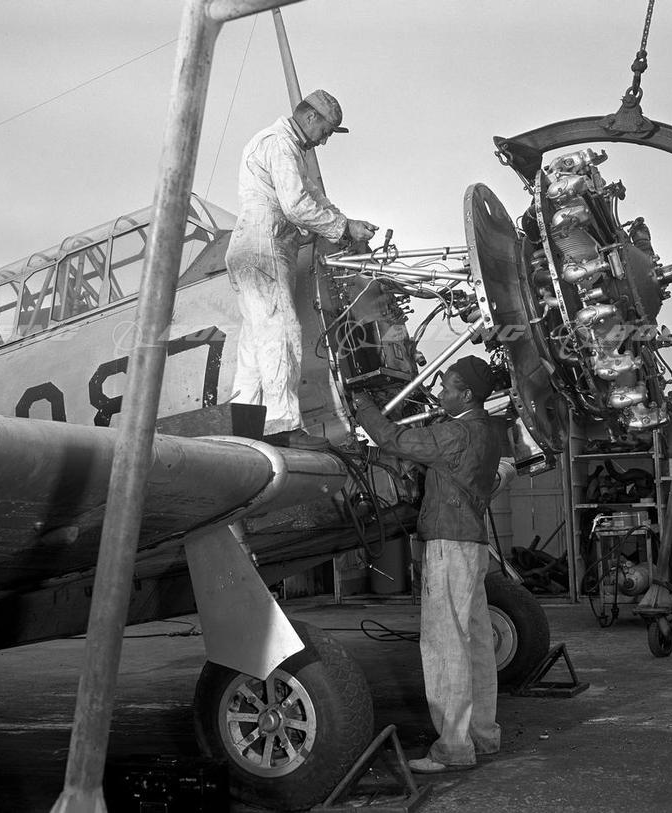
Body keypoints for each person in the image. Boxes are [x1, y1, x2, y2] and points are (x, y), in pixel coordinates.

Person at [351, 356, 504, 773]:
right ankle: (483, 735)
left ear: (466, 395)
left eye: (447, 388)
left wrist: (362, 405)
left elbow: (394, 440)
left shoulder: (457, 433)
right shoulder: (488, 431)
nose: (440, 394)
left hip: (449, 544)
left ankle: (453, 746)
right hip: (472, 544)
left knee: (444, 643)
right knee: (475, 642)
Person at [225, 89, 378, 450]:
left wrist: (347, 222)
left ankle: (245, 431)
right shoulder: (280, 144)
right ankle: (282, 425)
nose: (324, 141)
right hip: (264, 244)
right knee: (282, 330)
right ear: (310, 118)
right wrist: (343, 229)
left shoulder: (286, 147)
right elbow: (295, 205)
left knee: (256, 342)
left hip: (254, 244)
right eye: (325, 131)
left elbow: (312, 195)